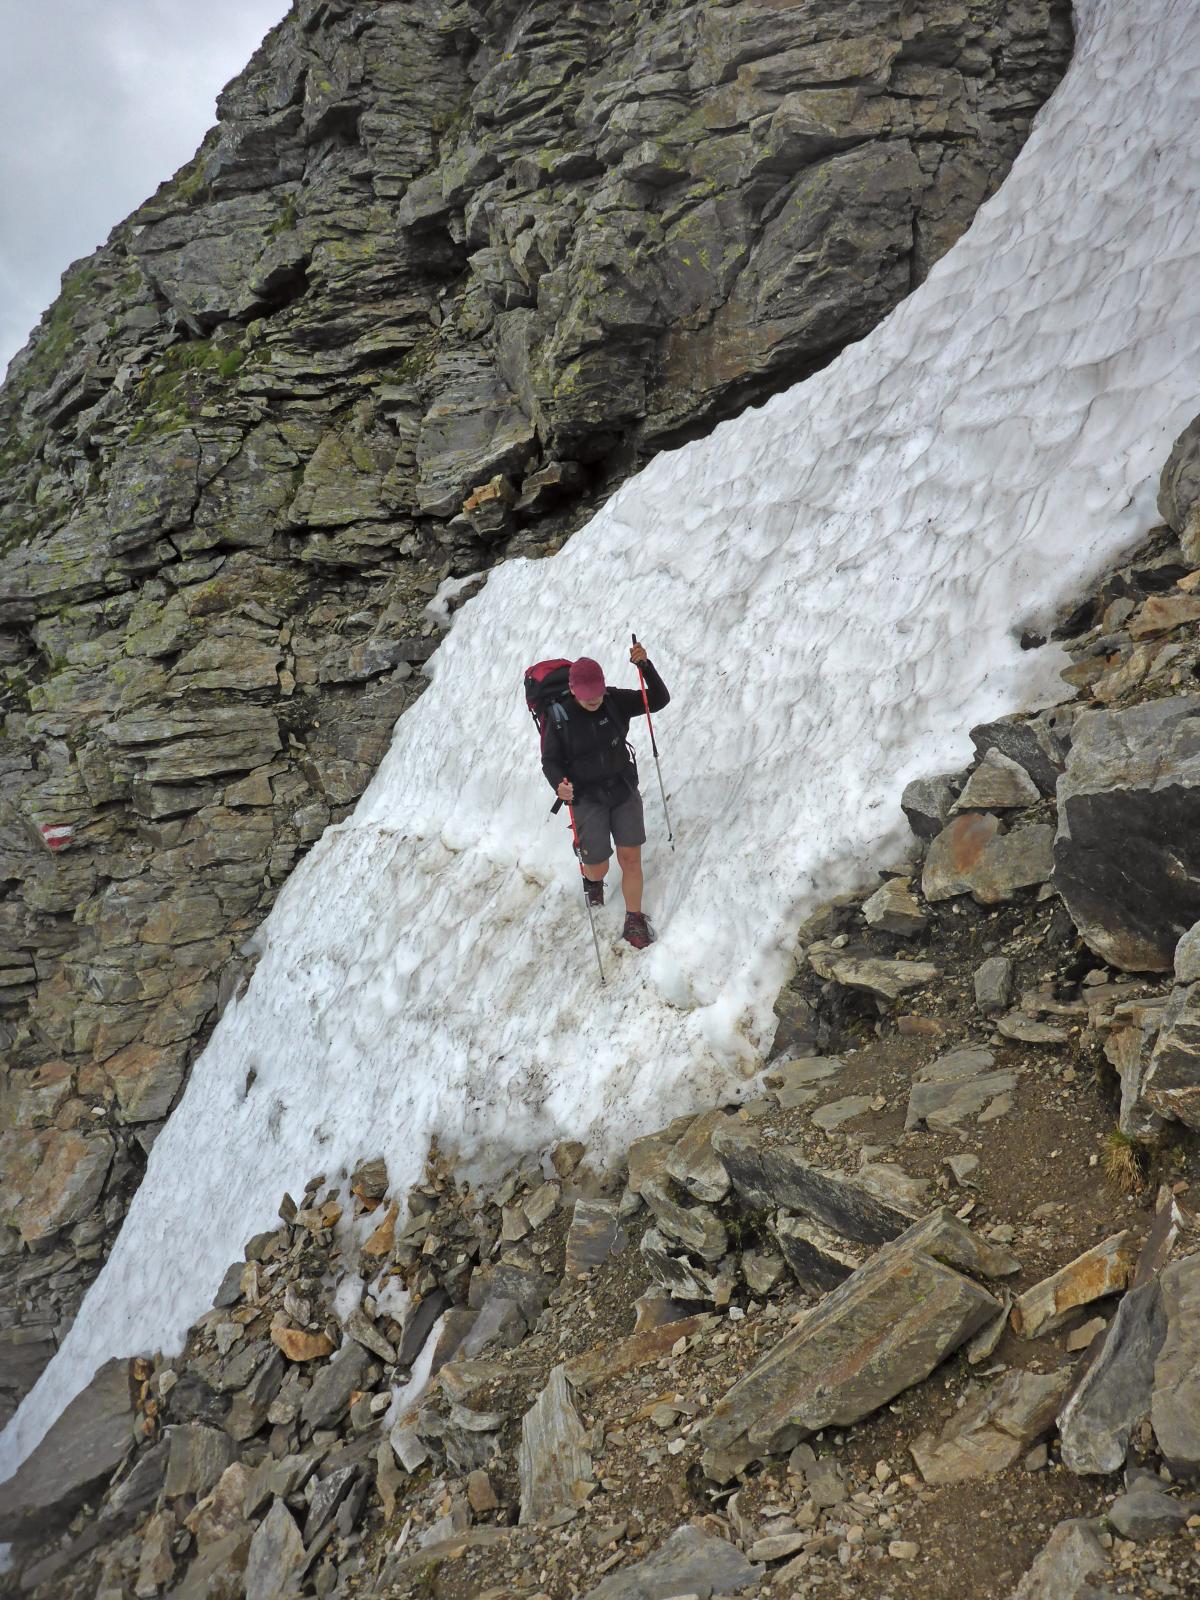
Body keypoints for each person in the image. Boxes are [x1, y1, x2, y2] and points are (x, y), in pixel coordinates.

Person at [541, 641, 670, 949]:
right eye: (587, 698)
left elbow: (659, 699)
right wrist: (559, 783)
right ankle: (592, 877)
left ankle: (634, 919)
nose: (594, 701)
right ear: (574, 691)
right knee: (599, 866)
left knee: (630, 859)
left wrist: (645, 667)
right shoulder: (559, 717)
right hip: (586, 798)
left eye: (597, 694)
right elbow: (550, 760)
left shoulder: (613, 700)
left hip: (622, 789)